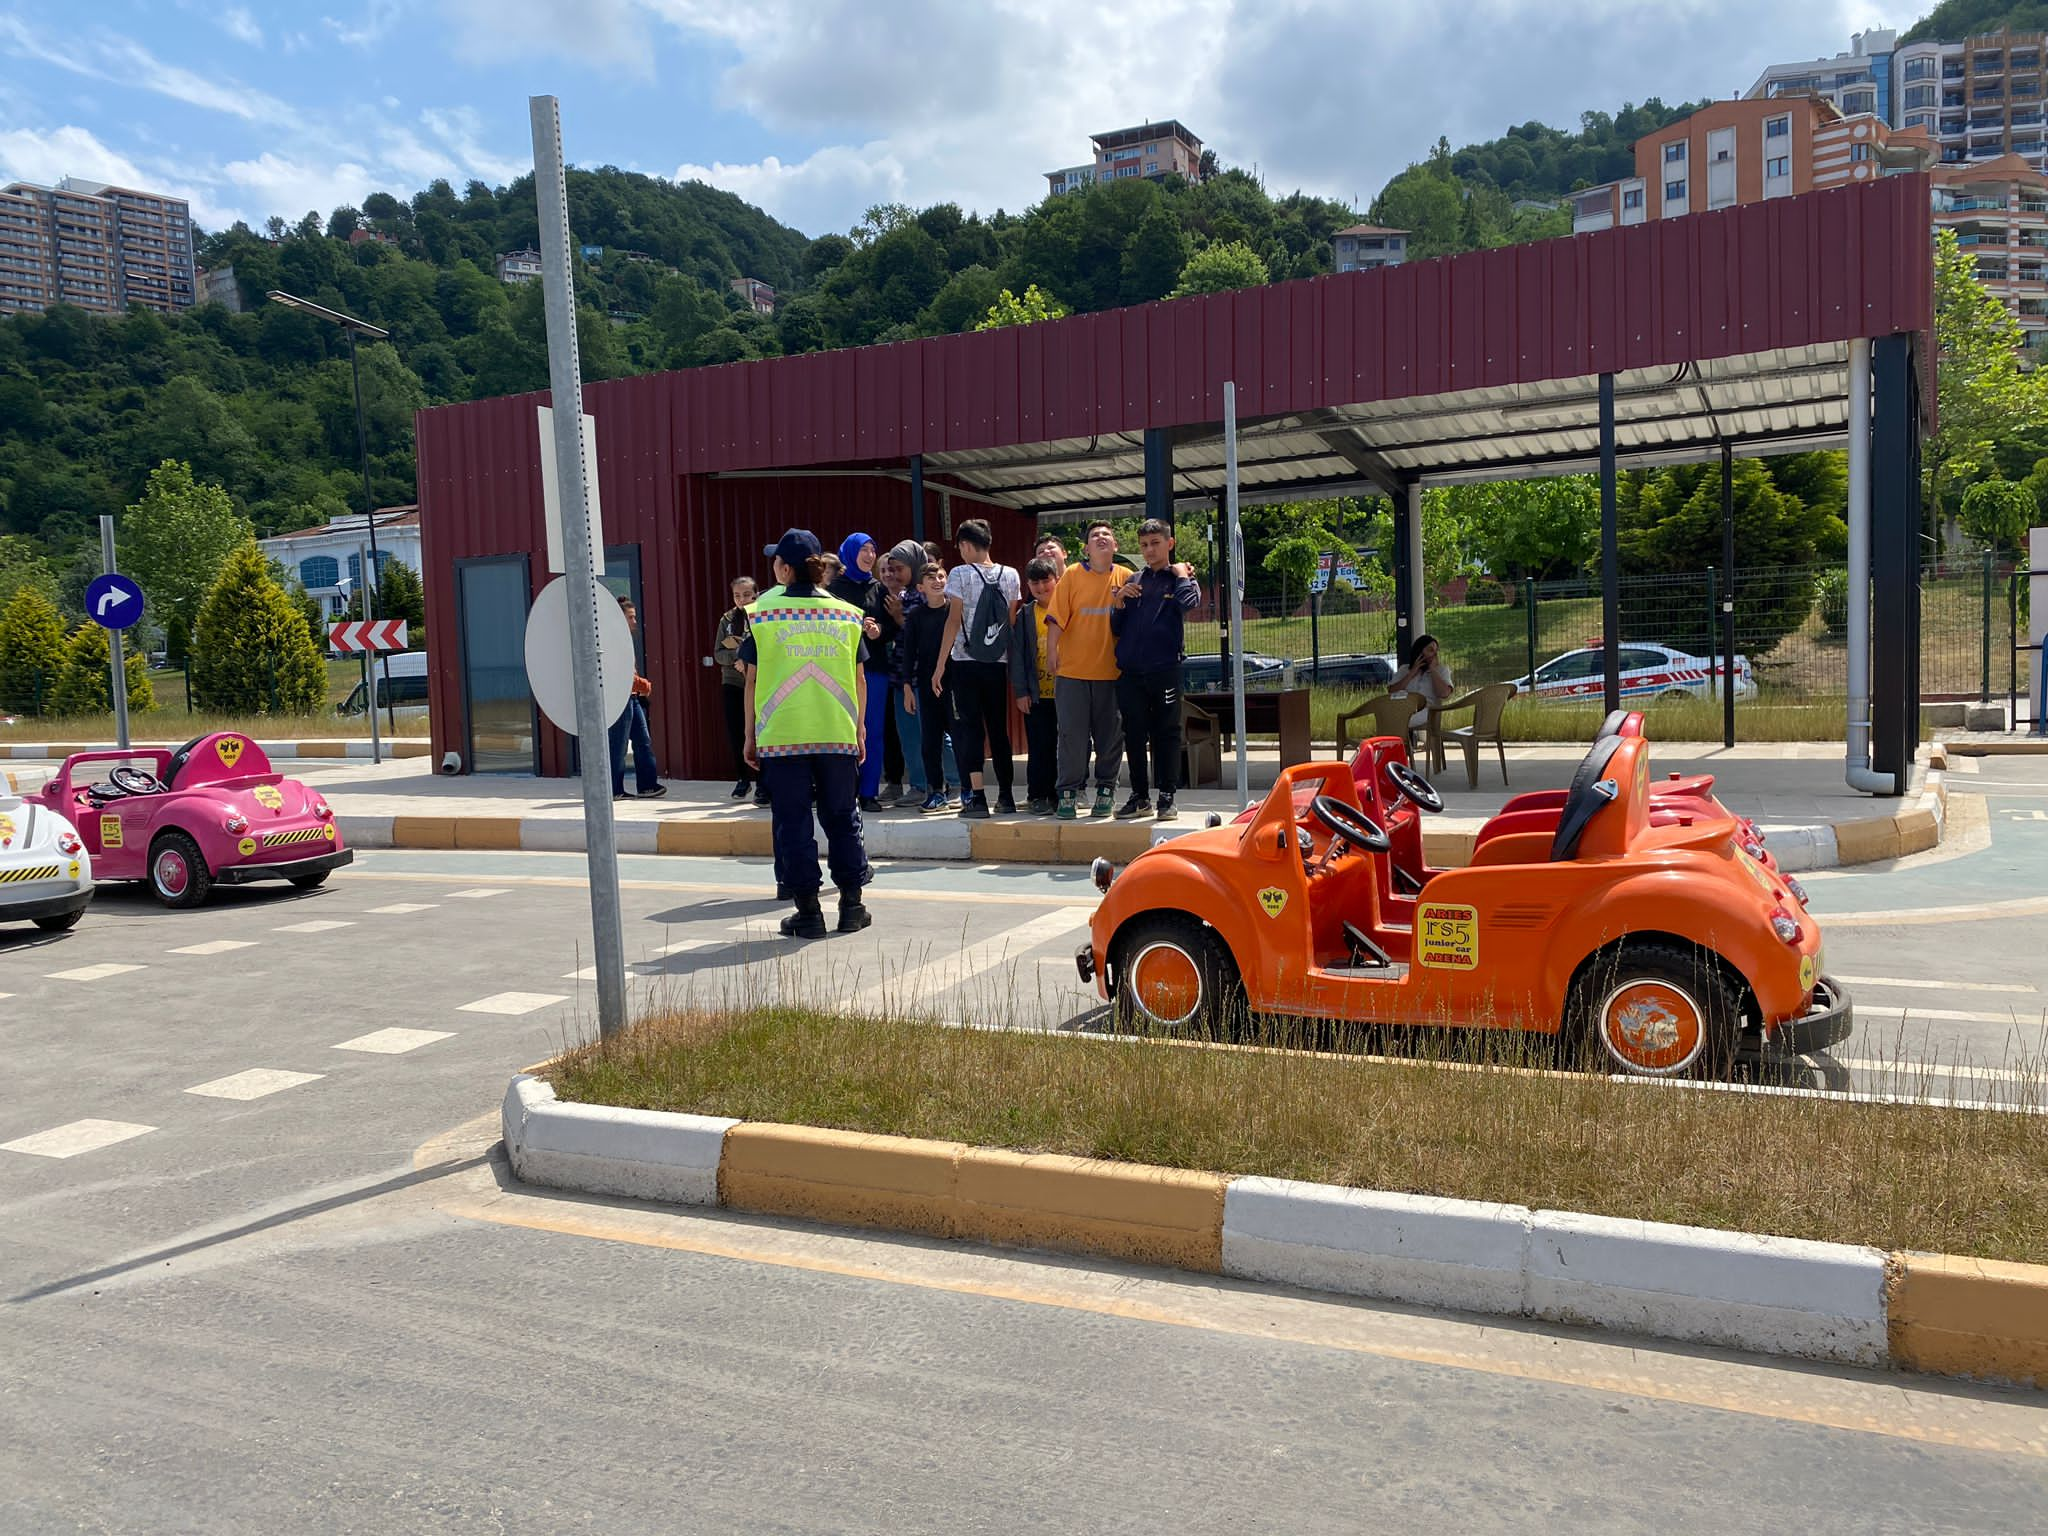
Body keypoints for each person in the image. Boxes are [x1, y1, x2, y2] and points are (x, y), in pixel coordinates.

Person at [741, 528, 872, 938]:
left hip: (783, 735)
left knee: (793, 822)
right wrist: (860, 730)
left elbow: (751, 681)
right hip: (836, 732)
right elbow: (860, 679)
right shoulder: (847, 613)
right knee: (842, 816)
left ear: (783, 568)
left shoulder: (760, 613)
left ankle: (808, 912)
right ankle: (852, 905)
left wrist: (750, 735)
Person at [1109, 518, 1200, 821]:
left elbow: (1190, 603)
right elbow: (1116, 628)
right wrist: (1119, 601)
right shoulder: (1134, 579)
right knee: (1133, 734)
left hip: (1165, 670)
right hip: (1131, 673)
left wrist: (1180, 575)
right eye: (1145, 545)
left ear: (1169, 544)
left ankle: (1166, 796)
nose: (1149, 550)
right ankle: (1139, 797)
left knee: (1166, 733)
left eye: (1156, 543)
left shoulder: (1181, 577)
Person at [933, 518, 1020, 819]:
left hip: (965, 663)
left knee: (970, 730)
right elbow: (1009, 622)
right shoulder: (1011, 575)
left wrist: (940, 665)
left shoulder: (959, 574)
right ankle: (1007, 796)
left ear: (967, 545)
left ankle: (978, 798)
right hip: (997, 664)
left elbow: (953, 620)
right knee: (998, 730)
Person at [1045, 520, 1130, 821]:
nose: (1101, 538)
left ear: (1115, 546)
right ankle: (1068, 793)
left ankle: (1106, 790)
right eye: (1095, 536)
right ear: (1086, 548)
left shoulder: (1127, 577)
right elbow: (1056, 618)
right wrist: (1051, 652)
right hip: (1073, 674)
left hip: (1112, 674)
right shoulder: (1071, 576)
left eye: (1107, 534)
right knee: (1071, 737)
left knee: (1110, 738)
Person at [830, 532, 897, 814]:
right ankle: (843, 791)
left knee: (872, 732)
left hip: (874, 670)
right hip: (840, 671)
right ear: (849, 553)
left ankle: (868, 793)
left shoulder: (879, 589)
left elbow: (892, 627)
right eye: (864, 550)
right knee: (840, 732)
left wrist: (878, 630)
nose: (870, 555)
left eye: (873, 549)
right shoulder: (834, 590)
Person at [898, 560, 958, 814]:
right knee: (929, 740)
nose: (938, 581)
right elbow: (908, 653)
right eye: (931, 579)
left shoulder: (955, 611)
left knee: (959, 736)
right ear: (921, 587)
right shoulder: (916, 616)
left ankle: (964, 788)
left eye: (942, 576)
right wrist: (907, 688)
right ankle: (935, 791)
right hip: (924, 684)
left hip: (953, 683)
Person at [1009, 556, 1062, 813]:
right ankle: (1037, 794)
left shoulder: (1066, 608)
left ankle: (1060, 794)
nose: (1041, 588)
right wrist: (1021, 692)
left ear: (1056, 580)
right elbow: (1017, 656)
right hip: (1037, 693)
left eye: (1046, 581)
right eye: (1035, 583)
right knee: (1039, 746)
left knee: (1063, 745)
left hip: (1066, 693)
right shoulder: (1025, 614)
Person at [608, 595, 666, 801]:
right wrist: (641, 683)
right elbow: (617, 671)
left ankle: (648, 785)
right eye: (630, 617)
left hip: (631, 697)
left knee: (643, 741)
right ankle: (614, 789)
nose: (635, 621)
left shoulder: (624, 639)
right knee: (619, 744)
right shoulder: (612, 640)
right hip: (619, 698)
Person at [714, 575, 760, 801]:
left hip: (758, 682)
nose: (741, 599)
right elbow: (718, 653)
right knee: (737, 732)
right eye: (736, 595)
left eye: (746, 595)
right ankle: (743, 779)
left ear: (755, 594)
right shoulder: (728, 619)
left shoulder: (762, 616)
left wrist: (750, 660)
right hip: (733, 681)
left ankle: (763, 781)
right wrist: (737, 657)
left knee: (760, 732)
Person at [1388, 633, 1454, 731]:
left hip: (1428, 710)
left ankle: (1401, 744)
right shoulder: (1404, 669)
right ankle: (1399, 745)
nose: (1435, 654)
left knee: (1400, 720)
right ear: (1420, 651)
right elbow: (1391, 691)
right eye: (1430, 650)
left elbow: (1444, 693)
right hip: (1404, 707)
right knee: (1387, 716)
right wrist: (1411, 673)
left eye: (1436, 651)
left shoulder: (1441, 670)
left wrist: (1432, 670)